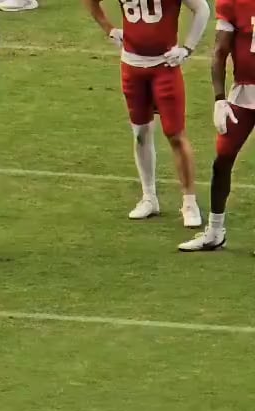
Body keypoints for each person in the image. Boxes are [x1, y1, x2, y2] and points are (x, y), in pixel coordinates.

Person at [83, 0, 209, 228]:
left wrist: (187, 48)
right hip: (131, 65)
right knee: (140, 132)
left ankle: (189, 202)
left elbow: (202, 9)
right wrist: (109, 29)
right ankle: (149, 196)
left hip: (165, 65)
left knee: (176, 135)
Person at [179, 0, 255, 251]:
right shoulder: (234, 2)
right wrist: (219, 99)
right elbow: (220, 51)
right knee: (222, 159)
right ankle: (214, 231)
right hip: (244, 93)